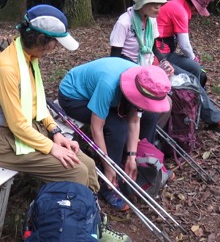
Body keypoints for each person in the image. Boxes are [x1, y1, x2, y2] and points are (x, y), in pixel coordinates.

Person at [0, 5, 132, 242]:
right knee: (75, 171)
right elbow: (18, 125)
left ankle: (89, 220)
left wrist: (55, 132)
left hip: (30, 132)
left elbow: (37, 104)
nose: (56, 50)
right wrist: (52, 148)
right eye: (55, 43)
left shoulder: (28, 57)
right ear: (41, 40)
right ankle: (83, 227)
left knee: (88, 164)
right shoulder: (7, 68)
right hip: (5, 143)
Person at [58, 59, 171, 212]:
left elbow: (134, 120)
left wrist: (132, 156)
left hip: (104, 95)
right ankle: (107, 182)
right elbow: (97, 128)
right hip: (74, 96)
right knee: (118, 127)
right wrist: (108, 166)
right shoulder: (109, 84)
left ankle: (139, 163)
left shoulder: (143, 81)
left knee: (149, 116)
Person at [157, 0, 220, 136]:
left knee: (196, 69)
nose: (196, 13)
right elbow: (184, 45)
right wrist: (193, 57)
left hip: (166, 52)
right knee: (192, 80)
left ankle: (196, 108)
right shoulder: (180, 10)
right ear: (194, 5)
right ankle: (215, 121)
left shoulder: (176, 5)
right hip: (158, 57)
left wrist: (194, 61)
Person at [109, 0, 168, 67]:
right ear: (141, 4)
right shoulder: (124, 22)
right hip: (125, 66)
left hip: (147, 64)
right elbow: (115, 57)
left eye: (159, 3)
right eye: (153, 2)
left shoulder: (152, 20)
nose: (158, 7)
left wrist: (164, 62)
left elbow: (154, 48)